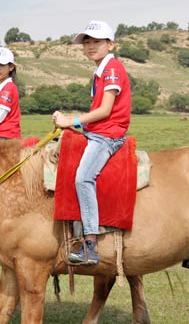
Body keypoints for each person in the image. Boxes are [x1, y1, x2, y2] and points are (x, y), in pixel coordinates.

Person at [52, 20, 131, 265]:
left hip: (108, 135)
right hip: (97, 131)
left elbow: (105, 110)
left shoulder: (111, 70)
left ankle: (90, 245)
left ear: (111, 44)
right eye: (86, 42)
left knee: (83, 177)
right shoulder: (101, 70)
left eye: (96, 41)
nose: (89, 46)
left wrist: (71, 120)